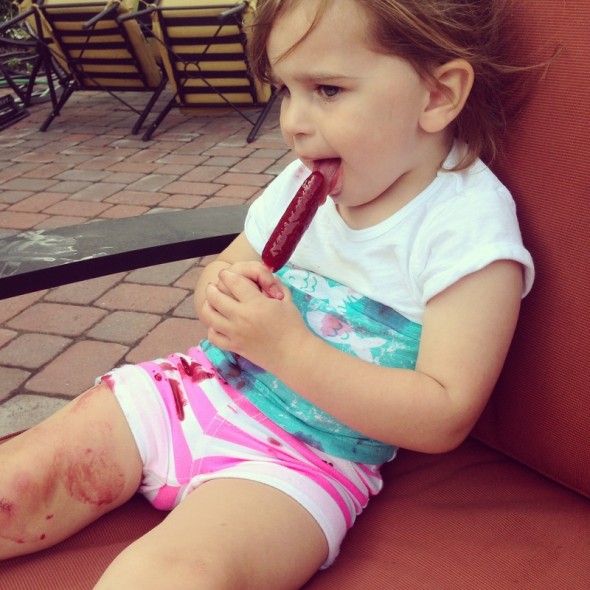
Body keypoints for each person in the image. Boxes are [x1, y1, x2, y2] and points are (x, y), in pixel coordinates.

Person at [0, 0, 536, 587]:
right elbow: (225, 269)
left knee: (173, 576)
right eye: (285, 90)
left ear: (436, 95)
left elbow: (444, 414)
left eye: (327, 90)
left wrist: (288, 349)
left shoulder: (465, 229)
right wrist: (222, 292)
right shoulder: (298, 183)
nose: (294, 123)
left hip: (303, 462)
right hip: (189, 389)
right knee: (19, 482)